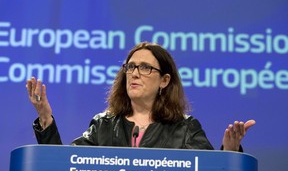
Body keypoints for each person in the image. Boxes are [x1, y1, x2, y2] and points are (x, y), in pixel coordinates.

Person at [26, 42, 255, 151]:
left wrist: (230, 151)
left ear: (164, 80)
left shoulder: (185, 129)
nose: (134, 73)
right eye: (131, 67)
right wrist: (45, 118)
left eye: (145, 68)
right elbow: (62, 167)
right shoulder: (103, 125)